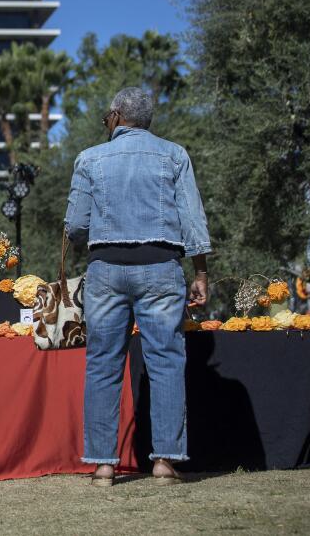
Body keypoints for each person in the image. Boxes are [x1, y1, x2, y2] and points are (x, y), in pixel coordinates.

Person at [64, 87, 211, 486]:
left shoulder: (89, 159)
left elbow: (76, 226)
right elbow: (193, 220)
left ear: (115, 117)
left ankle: (103, 466)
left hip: (106, 271)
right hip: (161, 266)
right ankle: (164, 462)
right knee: (165, 361)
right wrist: (201, 273)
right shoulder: (174, 154)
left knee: (103, 364)